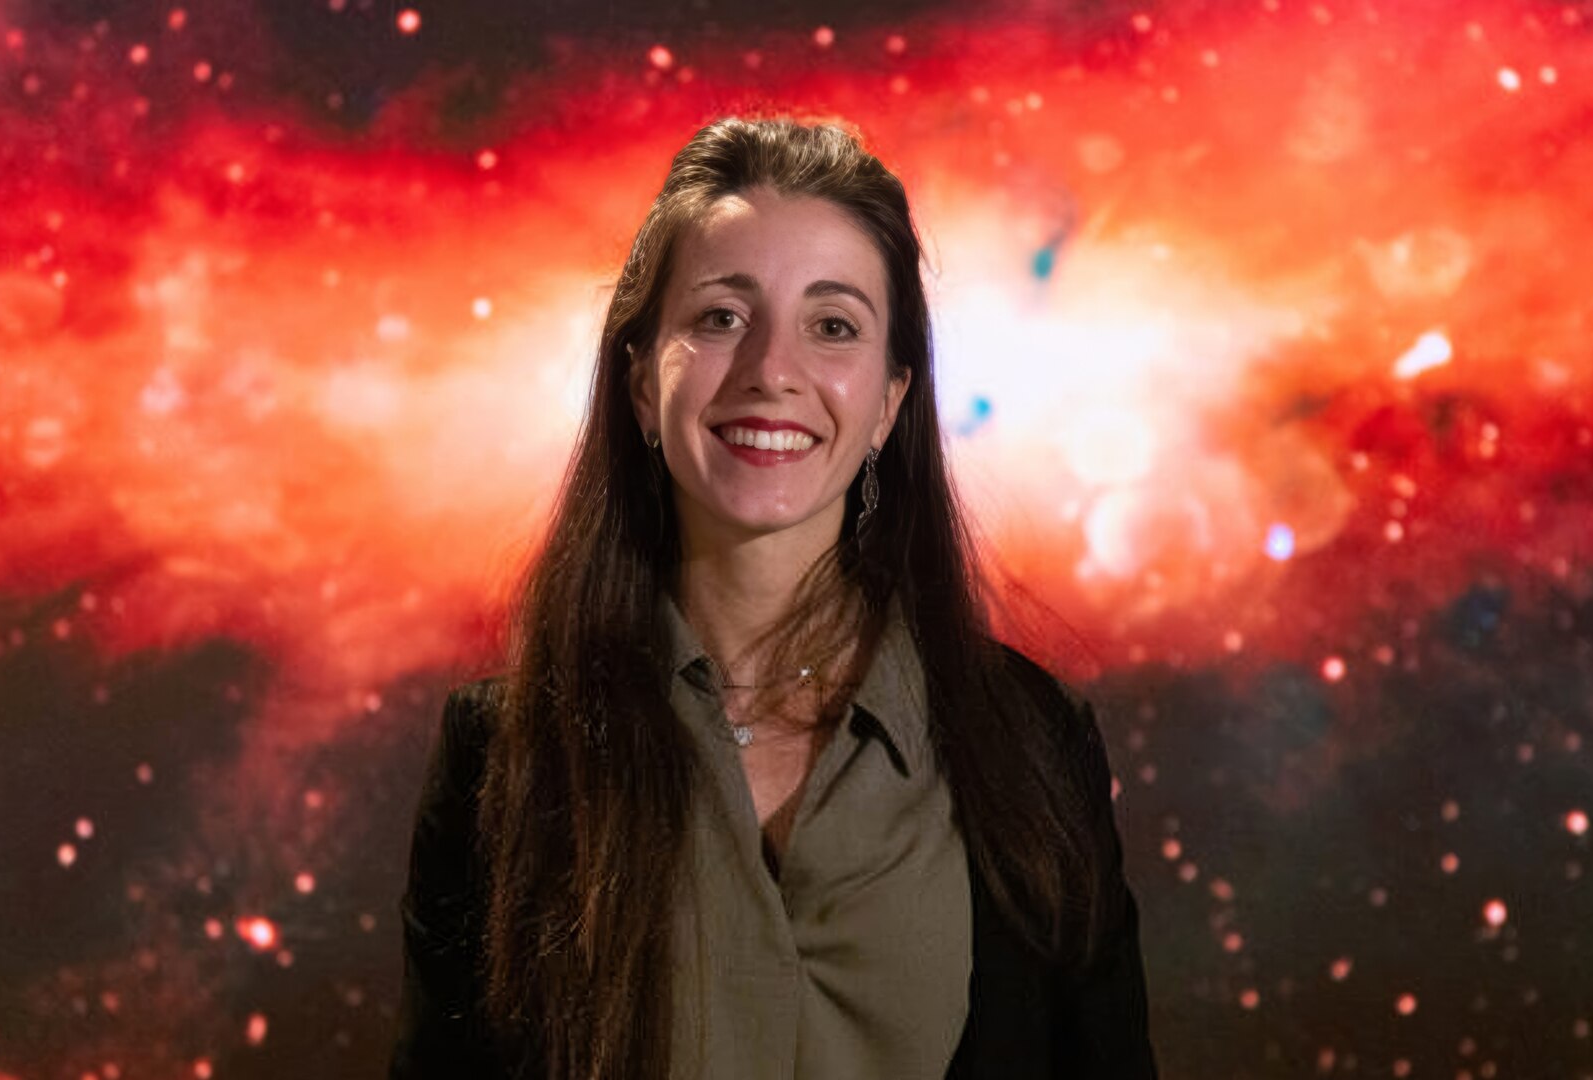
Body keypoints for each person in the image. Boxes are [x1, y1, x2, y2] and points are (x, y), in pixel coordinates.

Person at [389, 114, 1159, 1080]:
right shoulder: (498, 757)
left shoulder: (1034, 741)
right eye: (720, 317)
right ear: (639, 384)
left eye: (833, 326)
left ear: (887, 403)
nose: (771, 372)